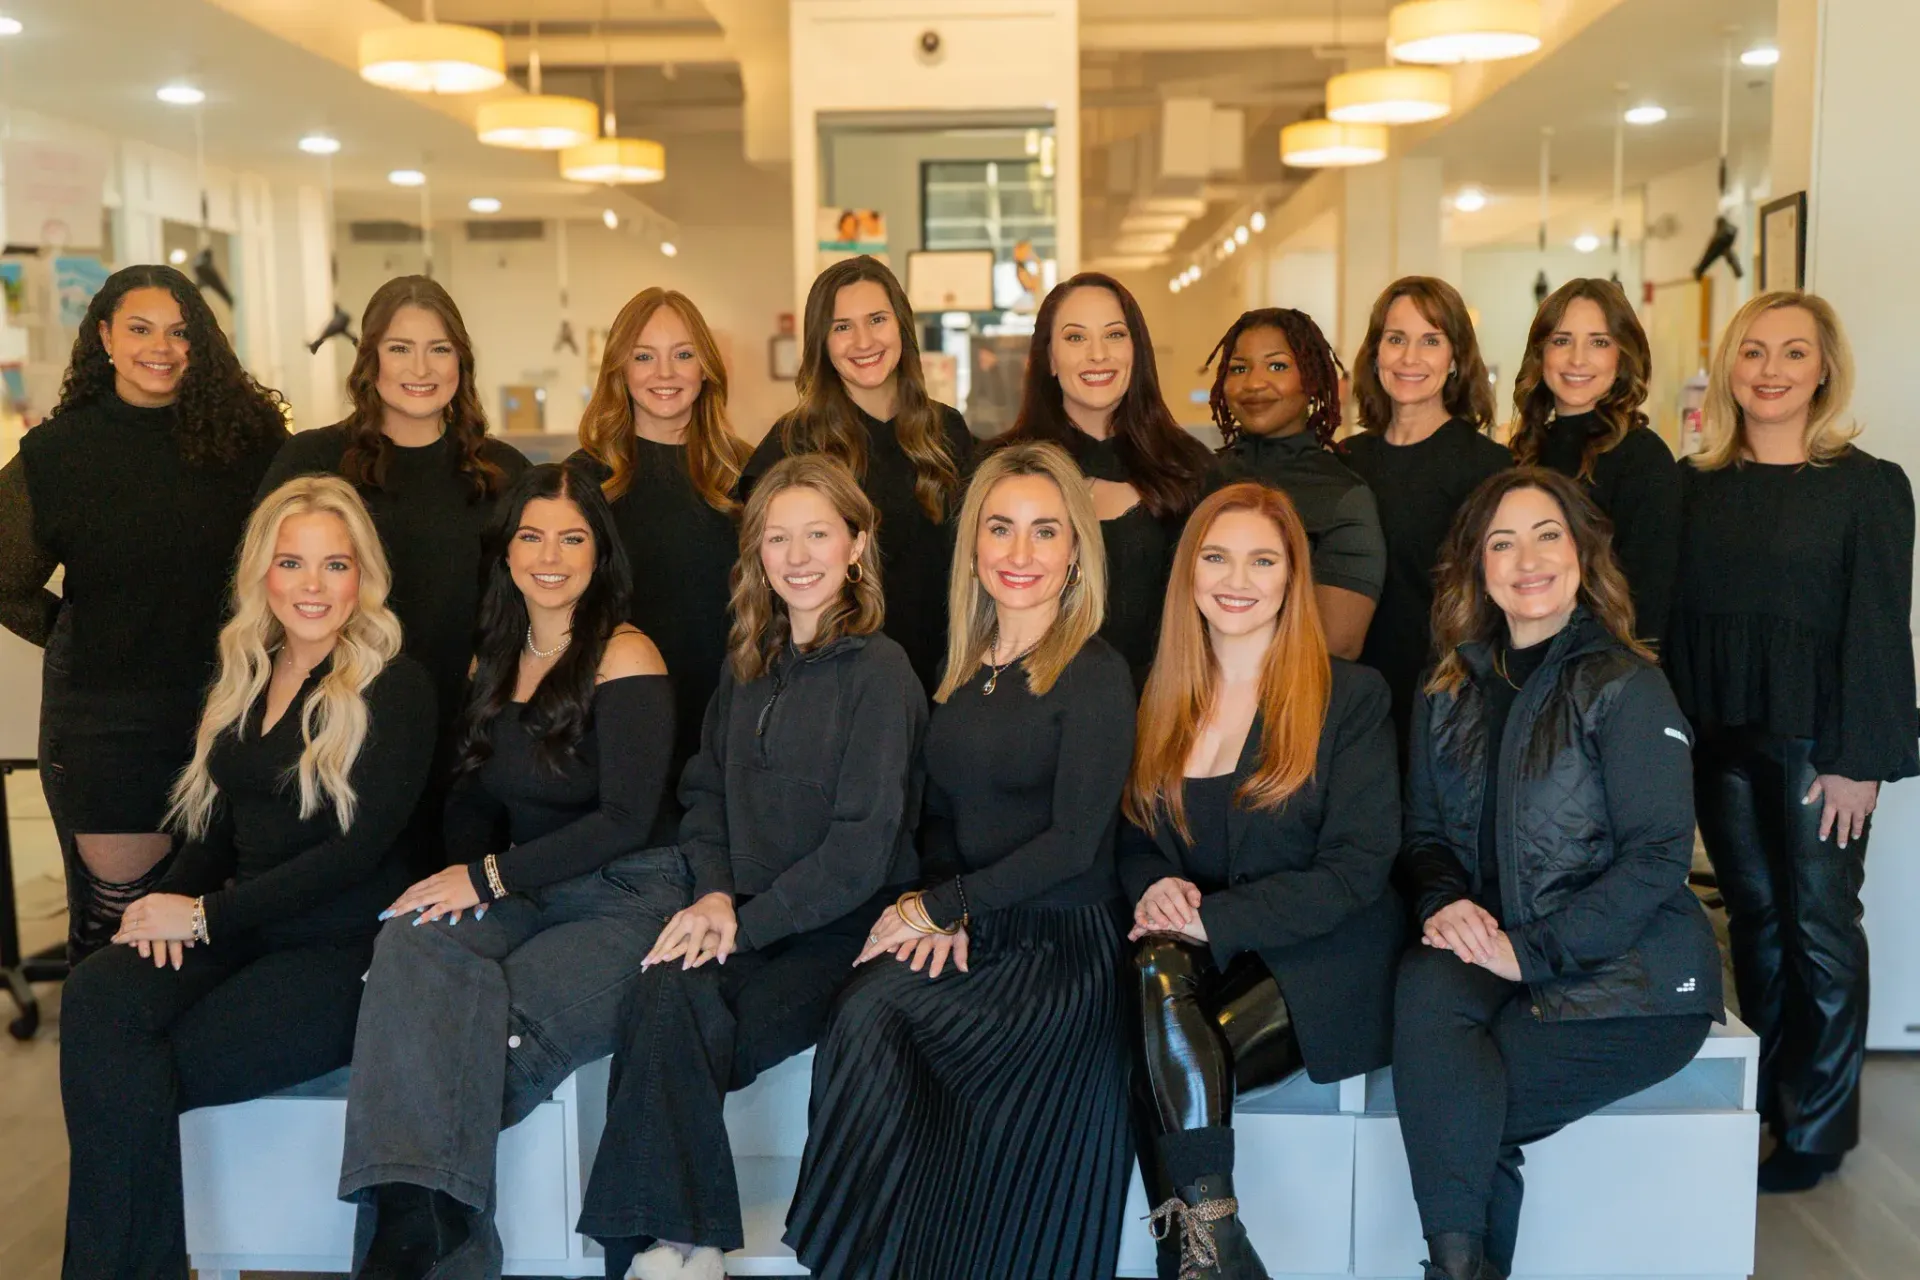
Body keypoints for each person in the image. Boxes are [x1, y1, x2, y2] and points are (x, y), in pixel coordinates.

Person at [59, 476, 435, 1280]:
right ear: (261, 574)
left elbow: (352, 855)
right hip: (238, 928)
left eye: (334, 565)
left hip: (334, 950)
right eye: (291, 563)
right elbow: (218, 828)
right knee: (97, 994)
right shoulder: (246, 675)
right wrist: (163, 903)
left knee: (139, 1074)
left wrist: (201, 919)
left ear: (362, 576)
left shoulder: (394, 685)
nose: (312, 585)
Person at [784, 442, 1137, 1280]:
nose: (1020, 555)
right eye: (1002, 529)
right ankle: (882, 1260)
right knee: (867, 1003)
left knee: (877, 1013)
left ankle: (866, 1262)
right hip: (983, 925)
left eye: (1045, 533)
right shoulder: (963, 671)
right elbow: (939, 822)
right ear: (973, 547)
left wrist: (942, 908)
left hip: (1062, 952)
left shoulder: (1095, 672)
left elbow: (1074, 842)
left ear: (1076, 550)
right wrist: (943, 904)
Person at [579, 455, 927, 1280]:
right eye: (778, 538)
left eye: (817, 534)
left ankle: (659, 1251)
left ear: (857, 544)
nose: (798, 556)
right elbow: (703, 796)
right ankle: (682, 1246)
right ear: (756, 555)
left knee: (680, 1019)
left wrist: (741, 924)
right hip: (740, 917)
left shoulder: (882, 673)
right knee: (660, 989)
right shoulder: (747, 665)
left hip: (837, 936)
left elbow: (860, 849)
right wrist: (711, 896)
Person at [338, 463, 681, 1280]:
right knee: (411, 945)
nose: (550, 555)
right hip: (527, 886)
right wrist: (457, 882)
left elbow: (626, 820)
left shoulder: (627, 654)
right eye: (532, 535)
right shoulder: (491, 659)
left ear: (601, 553)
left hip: (631, 894)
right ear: (507, 551)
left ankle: (415, 1243)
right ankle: (429, 1231)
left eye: (572, 537)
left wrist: (486, 880)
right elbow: (470, 800)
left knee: (467, 1030)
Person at [1393, 468, 1720, 1280]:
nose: (1526, 558)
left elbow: (1656, 859)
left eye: (1547, 535)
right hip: (1502, 958)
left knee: (1466, 1107)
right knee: (1425, 984)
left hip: (1629, 979)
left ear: (1582, 553)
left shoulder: (1625, 684)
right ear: (1477, 566)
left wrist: (1527, 952)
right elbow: (1426, 835)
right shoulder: (1447, 691)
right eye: (1502, 541)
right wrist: (1443, 904)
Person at [1667, 291, 1917, 1193]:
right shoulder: (1691, 488)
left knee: (1819, 926)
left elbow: (1881, 629)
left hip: (1822, 745)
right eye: (1754, 352)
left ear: (1823, 370)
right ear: (1730, 368)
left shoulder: (1868, 486)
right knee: (1757, 926)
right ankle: (1765, 1106)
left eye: (1793, 353)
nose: (1771, 370)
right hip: (1718, 740)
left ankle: (1818, 1128)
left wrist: (1863, 762)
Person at [1120, 481, 1401, 1280]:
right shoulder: (1162, 697)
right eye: (1216, 556)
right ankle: (1217, 1248)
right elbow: (1133, 836)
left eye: (1262, 560)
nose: (1236, 578)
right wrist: (1150, 886)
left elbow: (1357, 867)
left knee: (1153, 1055)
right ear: (1189, 573)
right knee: (1153, 987)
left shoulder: (1350, 696)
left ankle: (1197, 1255)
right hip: (1201, 958)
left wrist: (1213, 917)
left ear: (1290, 578)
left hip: (1322, 954)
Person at [0, 263, 286, 960]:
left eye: (180, 331)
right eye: (139, 328)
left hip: (237, 716)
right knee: (119, 939)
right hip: (109, 728)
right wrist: (78, 631)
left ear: (202, 342)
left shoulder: (251, 444)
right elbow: (3, 577)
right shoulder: (58, 454)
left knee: (228, 930)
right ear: (103, 336)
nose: (160, 346)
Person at [256, 276, 529, 755]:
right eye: (400, 348)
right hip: (335, 729)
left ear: (460, 361)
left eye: (439, 349)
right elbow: (258, 592)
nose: (421, 368)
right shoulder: (312, 461)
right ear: (370, 358)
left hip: (469, 730)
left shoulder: (505, 472)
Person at [744, 255, 972, 691]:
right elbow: (763, 584)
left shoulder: (948, 431)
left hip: (943, 676)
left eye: (877, 319)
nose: (863, 340)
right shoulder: (791, 443)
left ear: (901, 326)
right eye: (842, 326)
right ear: (821, 342)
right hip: (835, 684)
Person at [994, 273, 1213, 687]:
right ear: (1050, 358)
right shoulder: (1002, 469)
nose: (1098, 354)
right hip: (1028, 706)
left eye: (1114, 335)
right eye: (1075, 338)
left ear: (1137, 351)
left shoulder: (1191, 469)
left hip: (1158, 715)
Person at [573, 287, 749, 784]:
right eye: (644, 356)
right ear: (619, 371)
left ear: (706, 369)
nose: (665, 374)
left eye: (683, 355)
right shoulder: (583, 482)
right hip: (616, 727)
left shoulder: (748, 474)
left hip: (729, 722)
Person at [1342, 277, 1510, 758]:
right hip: (1352, 701)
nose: (1410, 358)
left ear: (1456, 358)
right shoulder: (1345, 460)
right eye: (1396, 339)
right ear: (1376, 353)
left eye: (1430, 341)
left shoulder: (1488, 468)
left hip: (1446, 704)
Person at [1205, 307, 1386, 659]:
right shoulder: (1201, 480)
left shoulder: (1342, 495)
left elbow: (1339, 644)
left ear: (1313, 379)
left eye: (1277, 366)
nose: (1254, 383)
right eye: (1239, 368)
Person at [1507, 278, 1679, 635]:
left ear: (1623, 356)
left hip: (1606, 675)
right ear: (1540, 354)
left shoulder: (1643, 459)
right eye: (1561, 340)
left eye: (1599, 342)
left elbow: (1647, 605)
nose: (1577, 359)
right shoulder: (1523, 454)